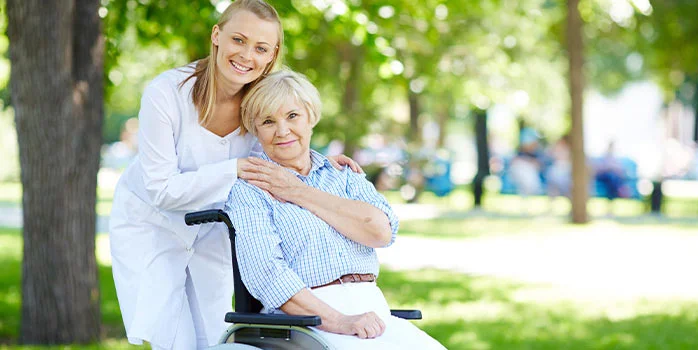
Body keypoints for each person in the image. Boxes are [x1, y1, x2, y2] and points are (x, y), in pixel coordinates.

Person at [108, 1, 360, 349]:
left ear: (271, 56)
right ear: (217, 36)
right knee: (172, 336)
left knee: (214, 333)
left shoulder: (261, 103)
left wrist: (319, 162)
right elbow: (161, 190)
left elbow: (282, 148)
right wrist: (234, 169)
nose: (246, 55)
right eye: (238, 40)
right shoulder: (165, 93)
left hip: (214, 226)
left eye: (260, 48)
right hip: (152, 224)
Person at [225, 70, 446, 349]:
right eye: (268, 121)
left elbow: (381, 232)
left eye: (292, 116)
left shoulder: (343, 175)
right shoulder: (250, 190)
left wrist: (297, 191)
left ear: (310, 117)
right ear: (256, 130)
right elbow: (266, 275)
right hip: (304, 325)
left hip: (375, 312)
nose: (282, 130)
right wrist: (341, 321)